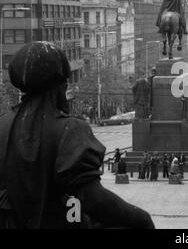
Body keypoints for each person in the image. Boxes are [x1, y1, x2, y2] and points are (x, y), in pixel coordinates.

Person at [0, 42, 153, 229]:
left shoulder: (3, 124)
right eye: (65, 83)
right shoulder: (69, 129)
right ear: (59, 86)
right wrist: (141, 218)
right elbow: (93, 199)